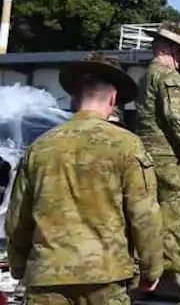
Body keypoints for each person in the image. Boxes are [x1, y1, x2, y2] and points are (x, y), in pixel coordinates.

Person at [5, 52, 165, 305]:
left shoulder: (40, 147)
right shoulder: (127, 145)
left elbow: (18, 219)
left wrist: (18, 266)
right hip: (105, 276)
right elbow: (144, 214)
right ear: (113, 99)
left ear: (73, 97)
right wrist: (151, 268)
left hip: (47, 275)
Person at [134, 21, 180, 301]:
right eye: (179, 53)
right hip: (166, 160)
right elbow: (175, 116)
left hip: (146, 156)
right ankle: (170, 278)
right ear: (173, 50)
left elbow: (155, 119)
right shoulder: (169, 76)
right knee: (171, 219)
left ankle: (145, 274)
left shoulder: (146, 76)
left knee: (146, 218)